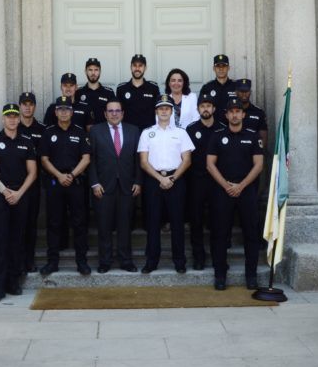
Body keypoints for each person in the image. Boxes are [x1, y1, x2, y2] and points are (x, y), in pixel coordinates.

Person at [206, 98, 265, 291]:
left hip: (246, 191)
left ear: (243, 114)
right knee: (220, 234)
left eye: (237, 111)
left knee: (251, 234)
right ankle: (220, 276)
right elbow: (210, 164)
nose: (234, 114)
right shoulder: (217, 136)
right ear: (226, 115)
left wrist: (240, 186)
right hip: (223, 191)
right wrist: (227, 186)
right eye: (231, 111)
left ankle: (251, 276)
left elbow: (259, 165)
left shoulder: (253, 135)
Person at [0, 103, 37, 302]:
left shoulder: (27, 141)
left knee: (17, 240)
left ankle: (14, 282)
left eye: (15, 116)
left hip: (21, 196)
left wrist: (19, 193)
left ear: (19, 118)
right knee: (0, 241)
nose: (12, 119)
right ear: (3, 118)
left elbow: (33, 172)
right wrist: (6, 192)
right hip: (0, 196)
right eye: (9, 116)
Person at [137, 94, 195, 273]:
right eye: (161, 108)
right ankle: (152, 261)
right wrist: (160, 178)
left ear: (172, 111)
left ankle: (179, 261)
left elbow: (187, 160)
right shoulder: (147, 132)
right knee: (153, 222)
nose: (164, 111)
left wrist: (172, 178)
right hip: (154, 181)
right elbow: (143, 162)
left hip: (175, 180)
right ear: (156, 111)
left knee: (177, 223)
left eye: (167, 108)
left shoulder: (181, 133)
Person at [87, 98, 142, 273]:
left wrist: (138, 181)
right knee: (104, 226)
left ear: (123, 113)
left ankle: (126, 261)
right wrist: (94, 183)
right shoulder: (95, 131)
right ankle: (105, 261)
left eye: (117, 110)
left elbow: (139, 159)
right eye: (110, 111)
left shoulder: (134, 131)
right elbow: (91, 160)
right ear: (105, 114)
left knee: (125, 225)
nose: (114, 114)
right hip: (103, 186)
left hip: (127, 186)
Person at [39, 96, 92, 276]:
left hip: (75, 182)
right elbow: (44, 159)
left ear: (72, 112)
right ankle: (52, 262)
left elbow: (86, 158)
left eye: (67, 109)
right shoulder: (48, 132)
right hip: (55, 182)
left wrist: (71, 175)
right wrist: (59, 175)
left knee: (79, 222)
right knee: (54, 223)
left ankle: (81, 261)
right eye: (60, 109)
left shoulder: (79, 132)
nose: (63, 112)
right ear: (55, 112)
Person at [185, 93, 224, 271]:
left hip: (218, 182)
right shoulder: (191, 129)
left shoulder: (223, 129)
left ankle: (219, 258)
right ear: (198, 109)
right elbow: (185, 157)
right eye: (202, 106)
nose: (206, 109)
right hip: (197, 182)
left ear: (214, 109)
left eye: (209, 106)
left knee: (218, 221)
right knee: (196, 221)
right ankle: (198, 257)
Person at [17, 91, 46, 274]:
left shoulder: (42, 129)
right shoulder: (13, 127)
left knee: (31, 224)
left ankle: (29, 260)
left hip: (34, 184)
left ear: (35, 106)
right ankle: (18, 261)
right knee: (17, 225)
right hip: (14, 185)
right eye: (24, 104)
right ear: (20, 106)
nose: (27, 107)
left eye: (30, 104)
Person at [116, 54, 160, 132]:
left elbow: (158, 111)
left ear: (145, 68)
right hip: (127, 133)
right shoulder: (121, 89)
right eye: (134, 65)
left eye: (140, 65)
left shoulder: (153, 88)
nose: (137, 68)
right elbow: (118, 112)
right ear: (131, 67)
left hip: (148, 132)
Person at [75, 57, 115, 130]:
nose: (93, 73)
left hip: (104, 135)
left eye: (96, 70)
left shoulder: (108, 92)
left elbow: (113, 114)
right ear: (85, 72)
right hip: (83, 135)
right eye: (90, 70)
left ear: (100, 71)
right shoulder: (78, 92)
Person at [199, 54, 236, 124]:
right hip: (213, 128)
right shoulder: (207, 87)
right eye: (218, 66)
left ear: (228, 68)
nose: (221, 69)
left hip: (232, 127)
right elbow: (201, 108)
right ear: (214, 68)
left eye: (224, 66)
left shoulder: (236, 86)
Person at [235, 78, 268, 150]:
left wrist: (258, 153)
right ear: (236, 92)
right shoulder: (230, 112)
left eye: (246, 91)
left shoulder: (259, 113)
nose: (244, 94)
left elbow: (263, 138)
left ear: (250, 92)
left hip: (253, 154)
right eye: (241, 91)